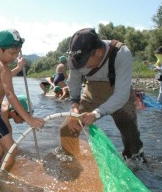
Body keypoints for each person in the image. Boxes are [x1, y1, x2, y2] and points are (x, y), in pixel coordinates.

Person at [60, 28, 146, 163]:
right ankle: (71, 164)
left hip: (120, 97)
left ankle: (136, 165)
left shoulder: (121, 53)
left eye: (83, 61)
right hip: (91, 93)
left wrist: (96, 114)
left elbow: (122, 94)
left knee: (131, 140)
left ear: (99, 52)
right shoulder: (76, 56)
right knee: (66, 129)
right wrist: (74, 105)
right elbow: (74, 82)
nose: (79, 64)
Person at [0, 29, 45, 169]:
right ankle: (3, 183)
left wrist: (18, 68)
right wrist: (29, 119)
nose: (14, 57)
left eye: (17, 53)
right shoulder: (3, 68)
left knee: (1, 150)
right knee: (12, 150)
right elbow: (10, 95)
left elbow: (4, 78)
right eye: (11, 53)